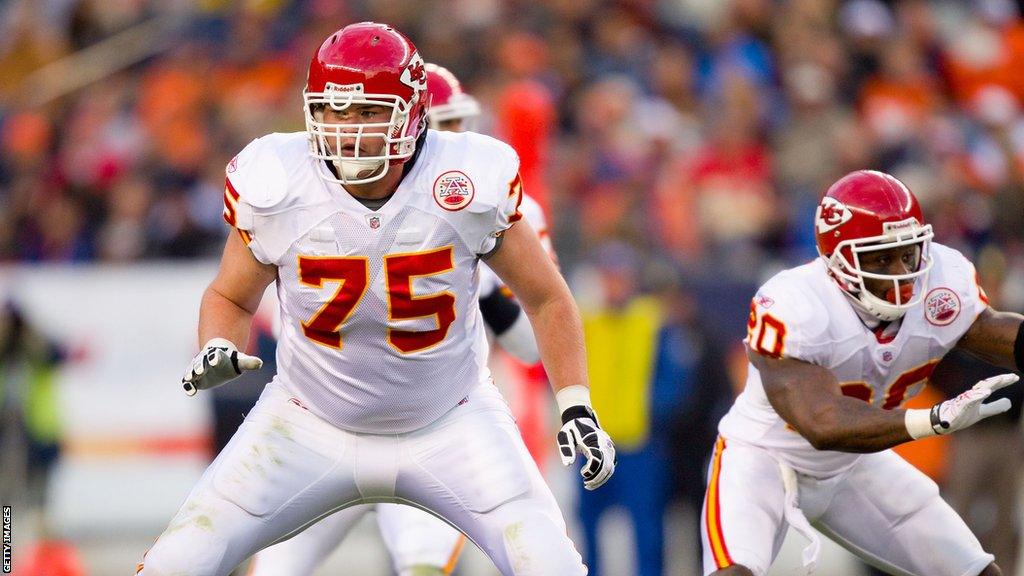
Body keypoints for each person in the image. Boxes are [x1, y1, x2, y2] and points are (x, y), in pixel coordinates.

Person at [134, 22, 615, 576]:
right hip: (306, 421)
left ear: (413, 112)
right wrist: (217, 341)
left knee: (551, 566)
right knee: (178, 560)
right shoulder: (279, 181)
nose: (348, 129)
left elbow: (547, 298)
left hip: (451, 422)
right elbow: (230, 296)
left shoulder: (462, 179)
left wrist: (575, 402)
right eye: (335, 111)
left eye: (367, 112)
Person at [246, 61, 553, 576]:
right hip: (324, 421)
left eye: (458, 125)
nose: (454, 144)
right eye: (443, 127)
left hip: (432, 422)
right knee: (274, 567)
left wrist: (486, 289)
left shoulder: (496, 205)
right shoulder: (310, 203)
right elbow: (278, 325)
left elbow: (530, 345)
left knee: (426, 564)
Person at [701, 170, 1022, 576]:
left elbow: (993, 333)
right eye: (881, 258)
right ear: (837, 260)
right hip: (764, 459)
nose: (901, 271)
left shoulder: (942, 279)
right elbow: (822, 422)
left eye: (907, 253)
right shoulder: (795, 304)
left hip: (854, 464)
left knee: (976, 571)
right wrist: (934, 420)